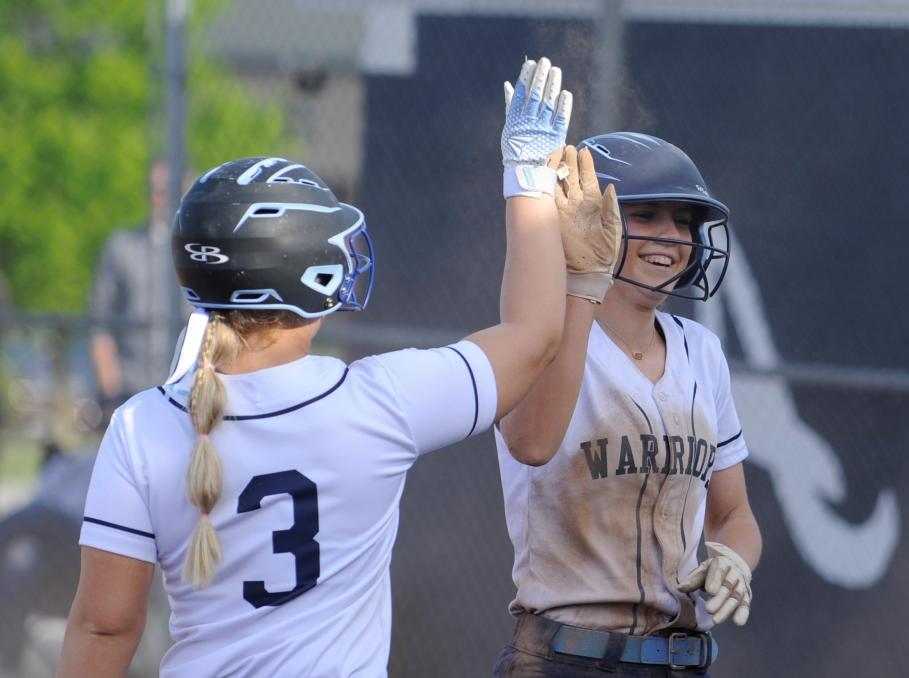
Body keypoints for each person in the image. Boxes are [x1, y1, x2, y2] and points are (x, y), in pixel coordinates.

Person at [56, 56, 604, 677]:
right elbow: (533, 337)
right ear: (309, 280)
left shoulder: (141, 424)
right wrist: (527, 178)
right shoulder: (378, 401)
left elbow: (105, 625)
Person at [493, 133, 763, 677]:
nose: (674, 236)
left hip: (682, 662)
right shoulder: (544, 335)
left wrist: (735, 559)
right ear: (591, 216)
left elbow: (734, 514)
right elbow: (528, 443)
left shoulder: (701, 351)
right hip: (565, 659)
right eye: (648, 215)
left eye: (684, 220)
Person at [89, 160, 189, 418]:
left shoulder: (199, 251)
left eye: (170, 190)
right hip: (132, 391)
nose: (163, 197)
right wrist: (111, 393)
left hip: (188, 389)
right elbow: (101, 324)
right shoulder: (122, 247)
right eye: (156, 189)